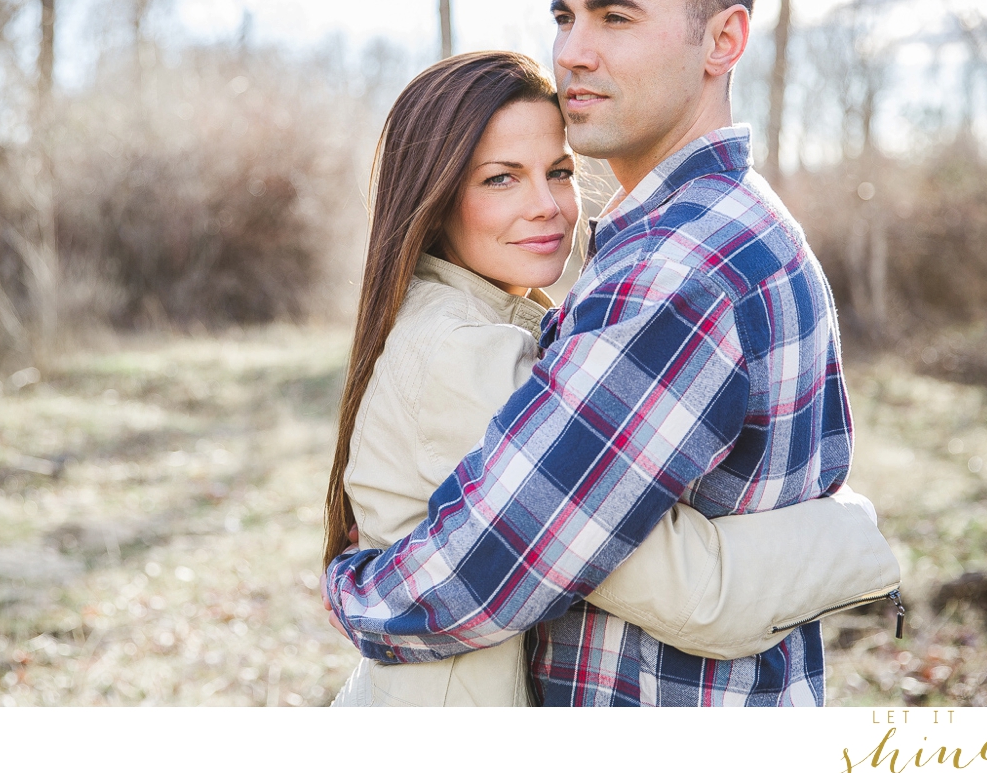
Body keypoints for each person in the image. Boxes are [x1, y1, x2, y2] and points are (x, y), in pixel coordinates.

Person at [323, 46, 899, 706]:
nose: (547, 205)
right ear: (436, 194)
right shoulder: (464, 353)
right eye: (501, 178)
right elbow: (693, 593)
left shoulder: (465, 314)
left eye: (559, 171)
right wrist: (855, 538)